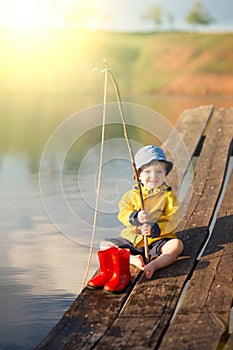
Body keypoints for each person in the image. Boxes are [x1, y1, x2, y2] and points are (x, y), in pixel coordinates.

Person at [100, 145, 183, 280]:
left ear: (165, 173)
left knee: (177, 245)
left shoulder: (168, 195)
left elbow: (172, 219)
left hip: (157, 239)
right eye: (148, 172)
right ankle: (133, 259)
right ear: (138, 174)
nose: (153, 176)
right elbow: (123, 212)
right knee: (105, 245)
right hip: (132, 238)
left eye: (159, 172)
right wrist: (136, 217)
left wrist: (154, 229)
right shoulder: (132, 195)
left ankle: (155, 264)